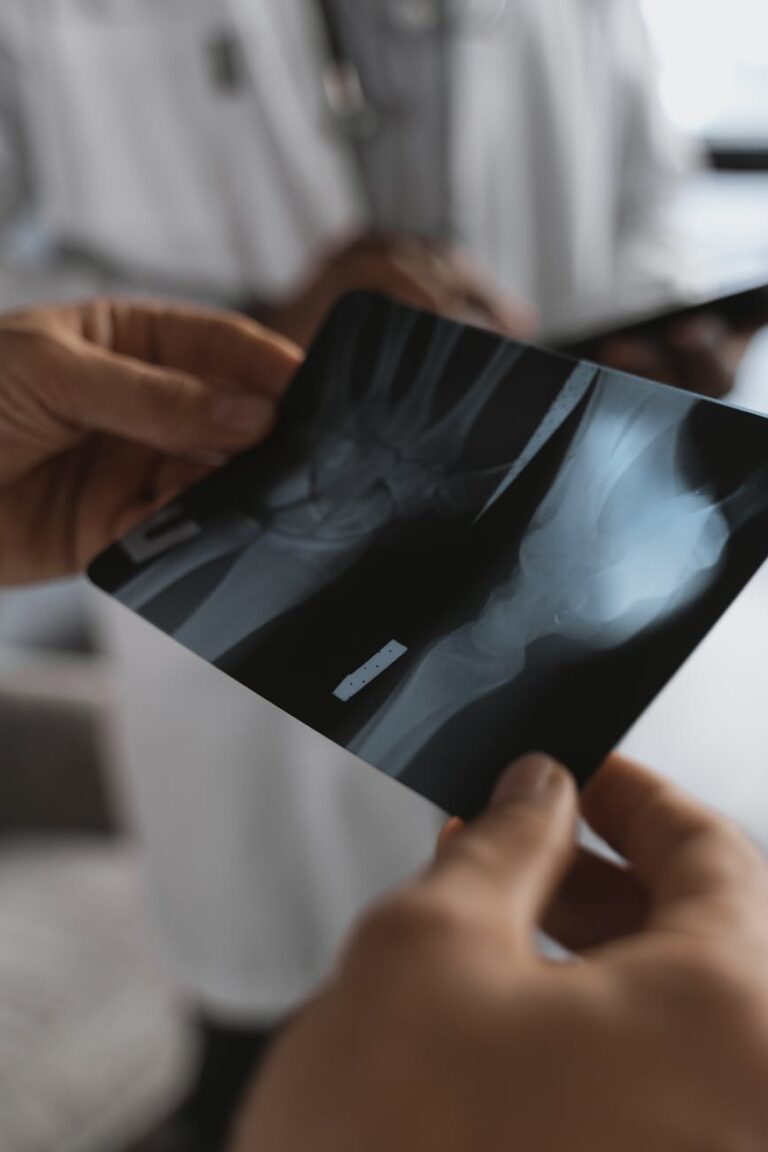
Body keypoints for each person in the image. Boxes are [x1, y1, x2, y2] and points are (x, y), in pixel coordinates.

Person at [0, 3, 751, 1143]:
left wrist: (663, 332)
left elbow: (646, 195)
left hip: (555, 571)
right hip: (217, 536)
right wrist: (281, 336)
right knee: (255, 1048)